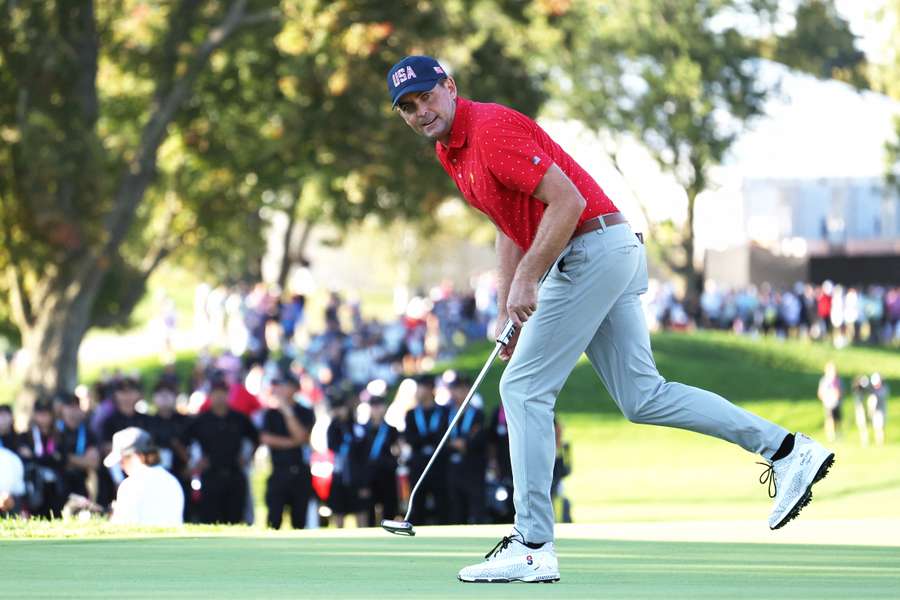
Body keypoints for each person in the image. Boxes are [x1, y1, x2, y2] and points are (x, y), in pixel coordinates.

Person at [387, 55, 835, 583]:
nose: (420, 111)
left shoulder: (487, 129)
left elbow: (567, 202)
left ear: (450, 86)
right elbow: (510, 221)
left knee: (524, 389)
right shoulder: (452, 152)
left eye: (426, 96)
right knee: (643, 395)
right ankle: (787, 449)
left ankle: (532, 543)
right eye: (408, 107)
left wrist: (529, 280)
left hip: (589, 247)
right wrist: (510, 299)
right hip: (607, 248)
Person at [184, 377, 259, 524]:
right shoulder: (201, 420)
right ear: (210, 395)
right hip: (210, 475)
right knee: (209, 521)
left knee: (235, 520)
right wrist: (193, 463)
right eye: (215, 393)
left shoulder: (239, 418)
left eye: (222, 393)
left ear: (228, 395)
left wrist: (248, 457)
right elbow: (181, 441)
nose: (219, 397)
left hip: (234, 473)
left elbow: (256, 438)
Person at [260, 372, 315, 529]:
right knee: (273, 520)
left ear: (294, 388)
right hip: (279, 471)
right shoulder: (270, 414)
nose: (279, 389)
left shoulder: (305, 411)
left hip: (300, 472)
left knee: (299, 521)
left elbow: (302, 436)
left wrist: (287, 411)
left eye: (283, 385)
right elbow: (266, 439)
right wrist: (293, 442)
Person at [104, 427, 184, 526]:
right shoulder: (173, 482)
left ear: (136, 456)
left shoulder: (130, 485)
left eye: (122, 460)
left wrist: (115, 515)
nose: (121, 466)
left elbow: (122, 529)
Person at [402, 373, 450, 525]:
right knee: (418, 504)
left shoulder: (444, 412)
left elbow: (444, 437)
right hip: (418, 464)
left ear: (430, 389)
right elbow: (410, 438)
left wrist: (425, 438)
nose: (418, 392)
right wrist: (429, 437)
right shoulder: (411, 414)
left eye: (421, 388)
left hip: (439, 464)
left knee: (443, 503)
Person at [445, 376, 487, 525]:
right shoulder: (446, 413)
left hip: (472, 467)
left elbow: (479, 438)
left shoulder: (477, 414)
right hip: (452, 466)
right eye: (456, 389)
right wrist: (456, 444)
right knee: (455, 507)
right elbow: (440, 437)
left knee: (476, 505)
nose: (460, 393)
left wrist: (465, 444)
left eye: (463, 389)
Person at [359, 389, 400, 527]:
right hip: (369, 474)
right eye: (373, 405)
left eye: (380, 405)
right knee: (369, 510)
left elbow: (397, 450)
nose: (377, 409)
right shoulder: (362, 430)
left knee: (389, 508)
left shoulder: (391, 429)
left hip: (387, 473)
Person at [56, 392, 100, 500]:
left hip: (81, 480)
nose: (73, 412)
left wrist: (68, 459)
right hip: (60, 482)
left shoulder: (88, 433)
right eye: (69, 407)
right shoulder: (55, 431)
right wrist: (80, 460)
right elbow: (55, 459)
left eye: (76, 407)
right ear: (62, 410)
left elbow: (93, 462)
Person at [818, 362, 843, 443]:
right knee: (830, 419)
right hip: (828, 403)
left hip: (837, 403)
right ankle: (831, 436)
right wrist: (825, 398)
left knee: (837, 420)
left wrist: (837, 393)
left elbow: (841, 392)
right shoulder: (824, 380)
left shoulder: (838, 380)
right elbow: (820, 392)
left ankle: (838, 434)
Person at [867, 373, 889, 446]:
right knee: (876, 427)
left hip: (881, 410)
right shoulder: (872, 390)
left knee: (881, 427)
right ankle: (878, 442)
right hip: (875, 411)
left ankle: (881, 443)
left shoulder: (884, 388)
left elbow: (882, 396)